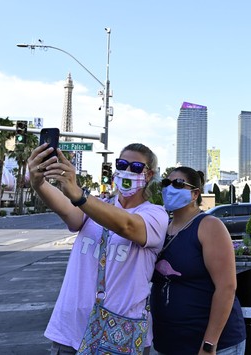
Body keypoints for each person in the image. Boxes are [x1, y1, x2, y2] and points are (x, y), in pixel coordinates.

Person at [28, 142, 169, 354]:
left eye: (136, 167)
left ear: (148, 175)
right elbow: (69, 212)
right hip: (70, 332)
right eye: (122, 164)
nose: (127, 171)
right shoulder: (95, 207)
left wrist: (78, 194)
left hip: (119, 337)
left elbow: (127, 226)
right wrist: (39, 183)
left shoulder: (155, 215)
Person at [151, 167, 246, 355]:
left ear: (195, 194)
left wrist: (209, 345)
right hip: (169, 343)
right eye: (166, 184)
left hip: (212, 346)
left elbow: (226, 288)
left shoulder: (209, 226)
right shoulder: (164, 228)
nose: (169, 189)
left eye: (178, 184)